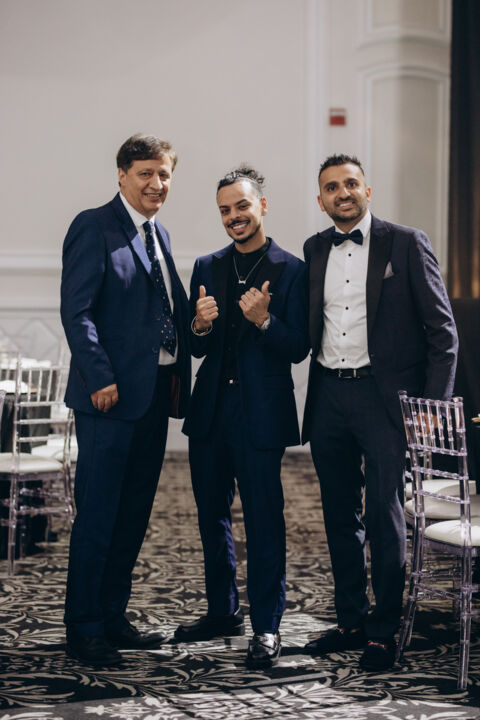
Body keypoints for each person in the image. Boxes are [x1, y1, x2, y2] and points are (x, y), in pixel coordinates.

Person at [302, 154, 458, 670]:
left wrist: (432, 407)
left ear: (367, 191)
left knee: (383, 513)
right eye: (331, 187)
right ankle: (349, 620)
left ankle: (383, 628)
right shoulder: (314, 248)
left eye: (351, 183)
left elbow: (443, 334)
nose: (342, 193)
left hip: (384, 400)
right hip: (328, 396)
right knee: (338, 511)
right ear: (321, 199)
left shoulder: (407, 243)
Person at [60, 133, 191, 667]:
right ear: (121, 174)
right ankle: (84, 627)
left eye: (164, 175)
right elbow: (78, 311)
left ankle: (112, 617)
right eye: (146, 173)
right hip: (108, 400)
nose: (157, 184)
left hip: (154, 397)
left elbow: (162, 311)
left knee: (133, 514)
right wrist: (100, 377)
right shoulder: (93, 226)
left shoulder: (159, 235)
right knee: (98, 515)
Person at [175, 166, 309, 668]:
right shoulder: (206, 266)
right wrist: (199, 324)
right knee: (211, 515)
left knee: (263, 519)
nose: (234, 216)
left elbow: (299, 348)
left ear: (262, 206)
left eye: (242, 206)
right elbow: (194, 346)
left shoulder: (292, 269)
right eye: (225, 210)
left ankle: (267, 626)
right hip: (210, 410)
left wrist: (265, 321)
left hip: (261, 414)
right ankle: (222, 611)